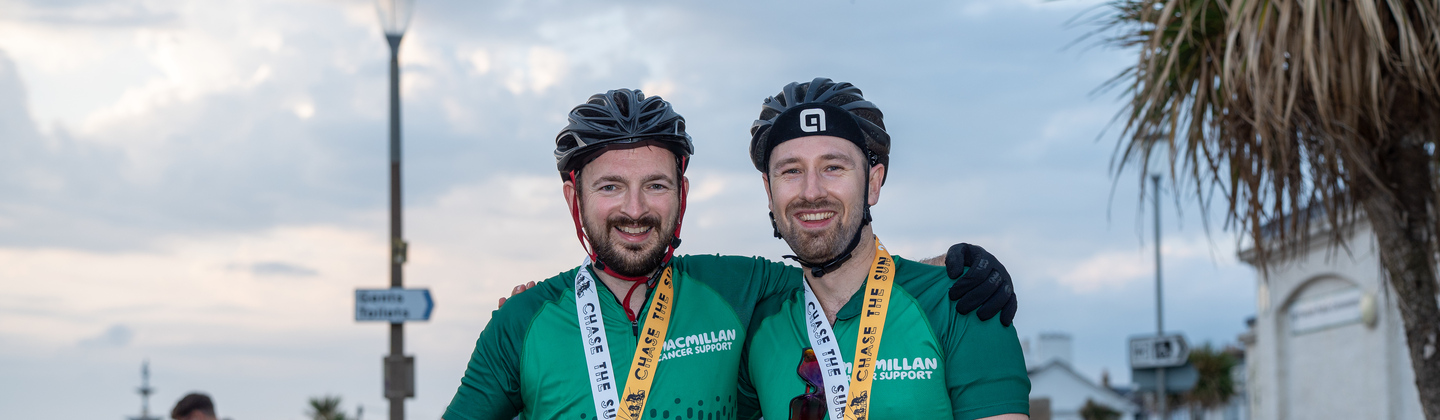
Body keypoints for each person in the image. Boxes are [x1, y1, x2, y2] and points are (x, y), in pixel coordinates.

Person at [442, 89, 1016, 420]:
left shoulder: (741, 291)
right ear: (576, 199)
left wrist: (954, 267)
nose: (635, 209)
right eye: (611, 186)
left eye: (656, 185)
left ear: (682, 195)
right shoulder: (523, 321)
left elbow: (843, 275)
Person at [737, 78, 1030, 420]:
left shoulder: (961, 303)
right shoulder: (758, 328)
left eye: (833, 167)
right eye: (791, 171)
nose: (811, 191)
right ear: (769, 193)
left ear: (873, 184)